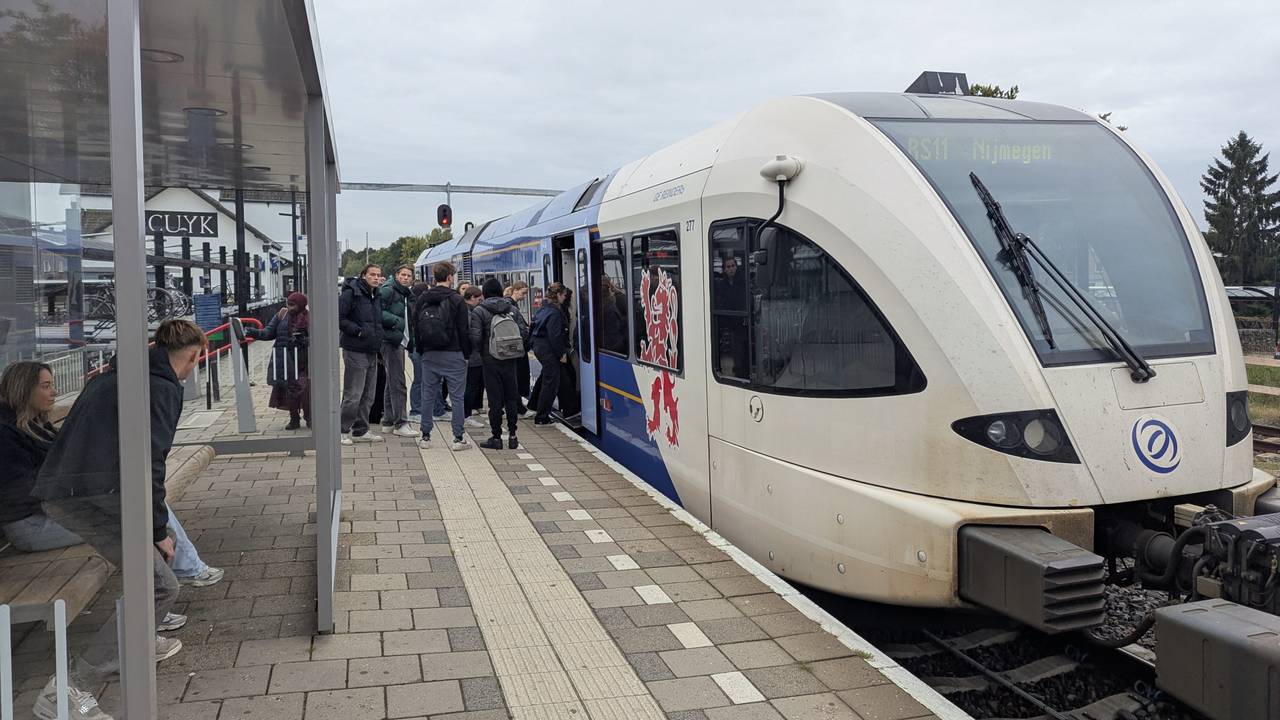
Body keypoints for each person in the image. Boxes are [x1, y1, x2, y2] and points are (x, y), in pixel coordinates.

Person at [32, 319, 209, 720]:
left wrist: (156, 527)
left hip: (73, 490)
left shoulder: (120, 374)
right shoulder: (161, 388)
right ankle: (70, 688)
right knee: (160, 586)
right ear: (192, 356)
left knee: (157, 565)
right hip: (90, 496)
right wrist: (157, 529)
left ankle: (138, 637)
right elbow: (151, 462)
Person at [0, 361, 81, 552]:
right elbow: (20, 491)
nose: (54, 392)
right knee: (116, 528)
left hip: (49, 513)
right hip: (29, 524)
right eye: (46, 386)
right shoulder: (5, 433)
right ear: (23, 390)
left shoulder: (35, 423)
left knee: (129, 519)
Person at [413, 261, 474, 450]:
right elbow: (464, 330)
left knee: (428, 395)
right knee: (457, 398)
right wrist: (466, 354)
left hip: (429, 354)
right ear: (449, 277)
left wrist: (421, 350)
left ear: (434, 277)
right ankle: (458, 438)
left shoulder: (423, 298)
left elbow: (416, 326)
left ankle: (425, 437)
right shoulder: (457, 300)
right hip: (454, 353)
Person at [470, 278, 529, 449]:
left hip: (490, 361)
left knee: (495, 400)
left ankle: (496, 437)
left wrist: (482, 351)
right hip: (510, 360)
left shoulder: (479, 311)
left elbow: (475, 338)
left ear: (485, 293)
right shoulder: (512, 309)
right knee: (511, 397)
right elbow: (524, 333)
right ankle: (513, 436)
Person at [246, 292, 311, 430]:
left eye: (293, 305)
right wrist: (251, 332)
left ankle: (309, 417)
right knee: (290, 390)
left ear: (301, 305)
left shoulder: (310, 317)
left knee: (305, 389)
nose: (290, 307)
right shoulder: (281, 315)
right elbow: (268, 333)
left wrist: (304, 340)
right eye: (288, 304)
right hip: (286, 359)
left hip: (305, 360)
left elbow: (318, 337)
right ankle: (294, 418)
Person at [338, 264, 385, 445]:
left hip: (372, 349)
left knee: (368, 394)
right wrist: (357, 331)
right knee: (353, 393)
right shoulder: (351, 293)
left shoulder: (376, 295)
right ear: (363, 275)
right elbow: (339, 317)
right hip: (355, 349)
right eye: (372, 274)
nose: (376, 278)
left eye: (378, 275)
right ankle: (341, 430)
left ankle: (361, 429)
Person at [379, 265, 417, 437]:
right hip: (391, 340)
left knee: (392, 381)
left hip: (398, 340)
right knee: (398, 382)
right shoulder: (388, 290)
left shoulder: (406, 293)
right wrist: (396, 321)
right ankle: (401, 423)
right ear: (396, 275)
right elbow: (377, 311)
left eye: (409, 275)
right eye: (403, 275)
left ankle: (388, 421)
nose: (406, 278)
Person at [530, 283, 569, 425]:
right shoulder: (554, 313)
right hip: (549, 350)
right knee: (551, 383)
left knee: (545, 376)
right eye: (564, 295)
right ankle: (542, 417)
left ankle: (533, 404)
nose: (565, 298)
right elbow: (555, 336)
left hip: (539, 347)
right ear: (558, 295)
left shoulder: (542, 309)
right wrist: (561, 354)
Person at [462, 285, 486, 427]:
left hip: (466, 355)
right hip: (473, 356)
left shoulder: (462, 309)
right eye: (479, 299)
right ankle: (466, 415)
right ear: (472, 298)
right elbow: (474, 335)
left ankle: (465, 414)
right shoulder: (470, 313)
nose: (480, 302)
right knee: (470, 386)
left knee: (467, 386)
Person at [407, 281, 430, 422]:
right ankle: (416, 410)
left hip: (418, 347)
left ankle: (420, 408)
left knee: (422, 379)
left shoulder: (416, 306)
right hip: (416, 347)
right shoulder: (415, 308)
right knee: (419, 379)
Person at [510, 281, 533, 415]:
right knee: (517, 378)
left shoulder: (513, 305)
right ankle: (519, 409)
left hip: (516, 348)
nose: (524, 296)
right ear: (516, 290)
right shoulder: (511, 306)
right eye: (523, 293)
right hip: (517, 348)